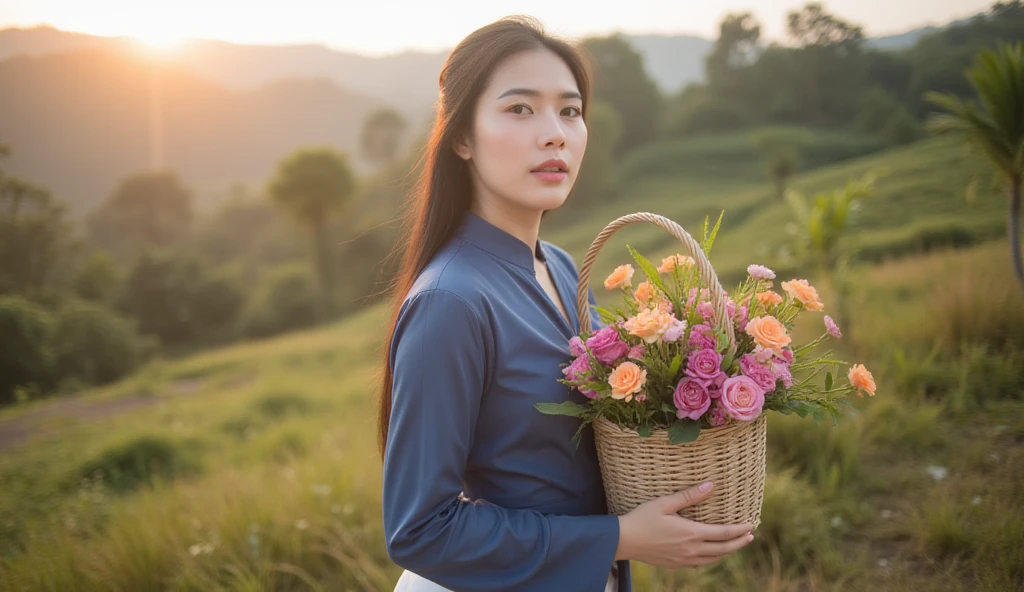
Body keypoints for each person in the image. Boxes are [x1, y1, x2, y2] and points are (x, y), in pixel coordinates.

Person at [377, 16, 755, 592]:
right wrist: (620, 538)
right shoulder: (449, 302)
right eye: (520, 109)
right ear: (461, 137)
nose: (554, 133)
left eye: (570, 111)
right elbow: (420, 530)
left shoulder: (557, 263)